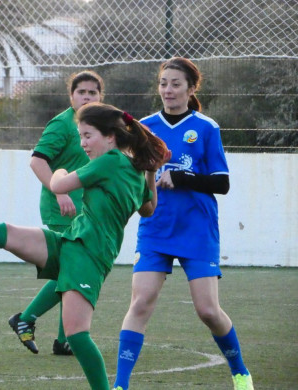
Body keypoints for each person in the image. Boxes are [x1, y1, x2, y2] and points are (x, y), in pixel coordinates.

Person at [0, 101, 170, 389]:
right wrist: (151, 172)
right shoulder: (132, 169)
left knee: (77, 336)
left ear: (111, 136)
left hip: (88, 256)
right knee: (4, 233)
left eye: (88, 136)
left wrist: (61, 170)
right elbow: (150, 207)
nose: (83, 144)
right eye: (80, 136)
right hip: (71, 241)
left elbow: (57, 186)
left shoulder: (109, 162)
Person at [112, 57, 254, 390]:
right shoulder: (144, 128)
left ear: (191, 89)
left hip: (196, 229)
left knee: (207, 310)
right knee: (141, 301)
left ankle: (240, 372)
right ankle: (120, 385)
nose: (168, 90)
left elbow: (221, 183)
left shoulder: (206, 127)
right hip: (156, 227)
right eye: (163, 83)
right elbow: (132, 172)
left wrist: (183, 176)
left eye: (176, 84)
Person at [8, 70, 104, 356]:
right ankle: (26, 318)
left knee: (70, 271)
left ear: (100, 97)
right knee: (71, 271)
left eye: (92, 92)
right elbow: (37, 161)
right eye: (81, 92)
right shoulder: (62, 125)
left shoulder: (96, 125)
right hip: (60, 207)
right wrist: (59, 192)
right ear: (71, 95)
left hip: (83, 210)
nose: (87, 97)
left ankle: (63, 339)